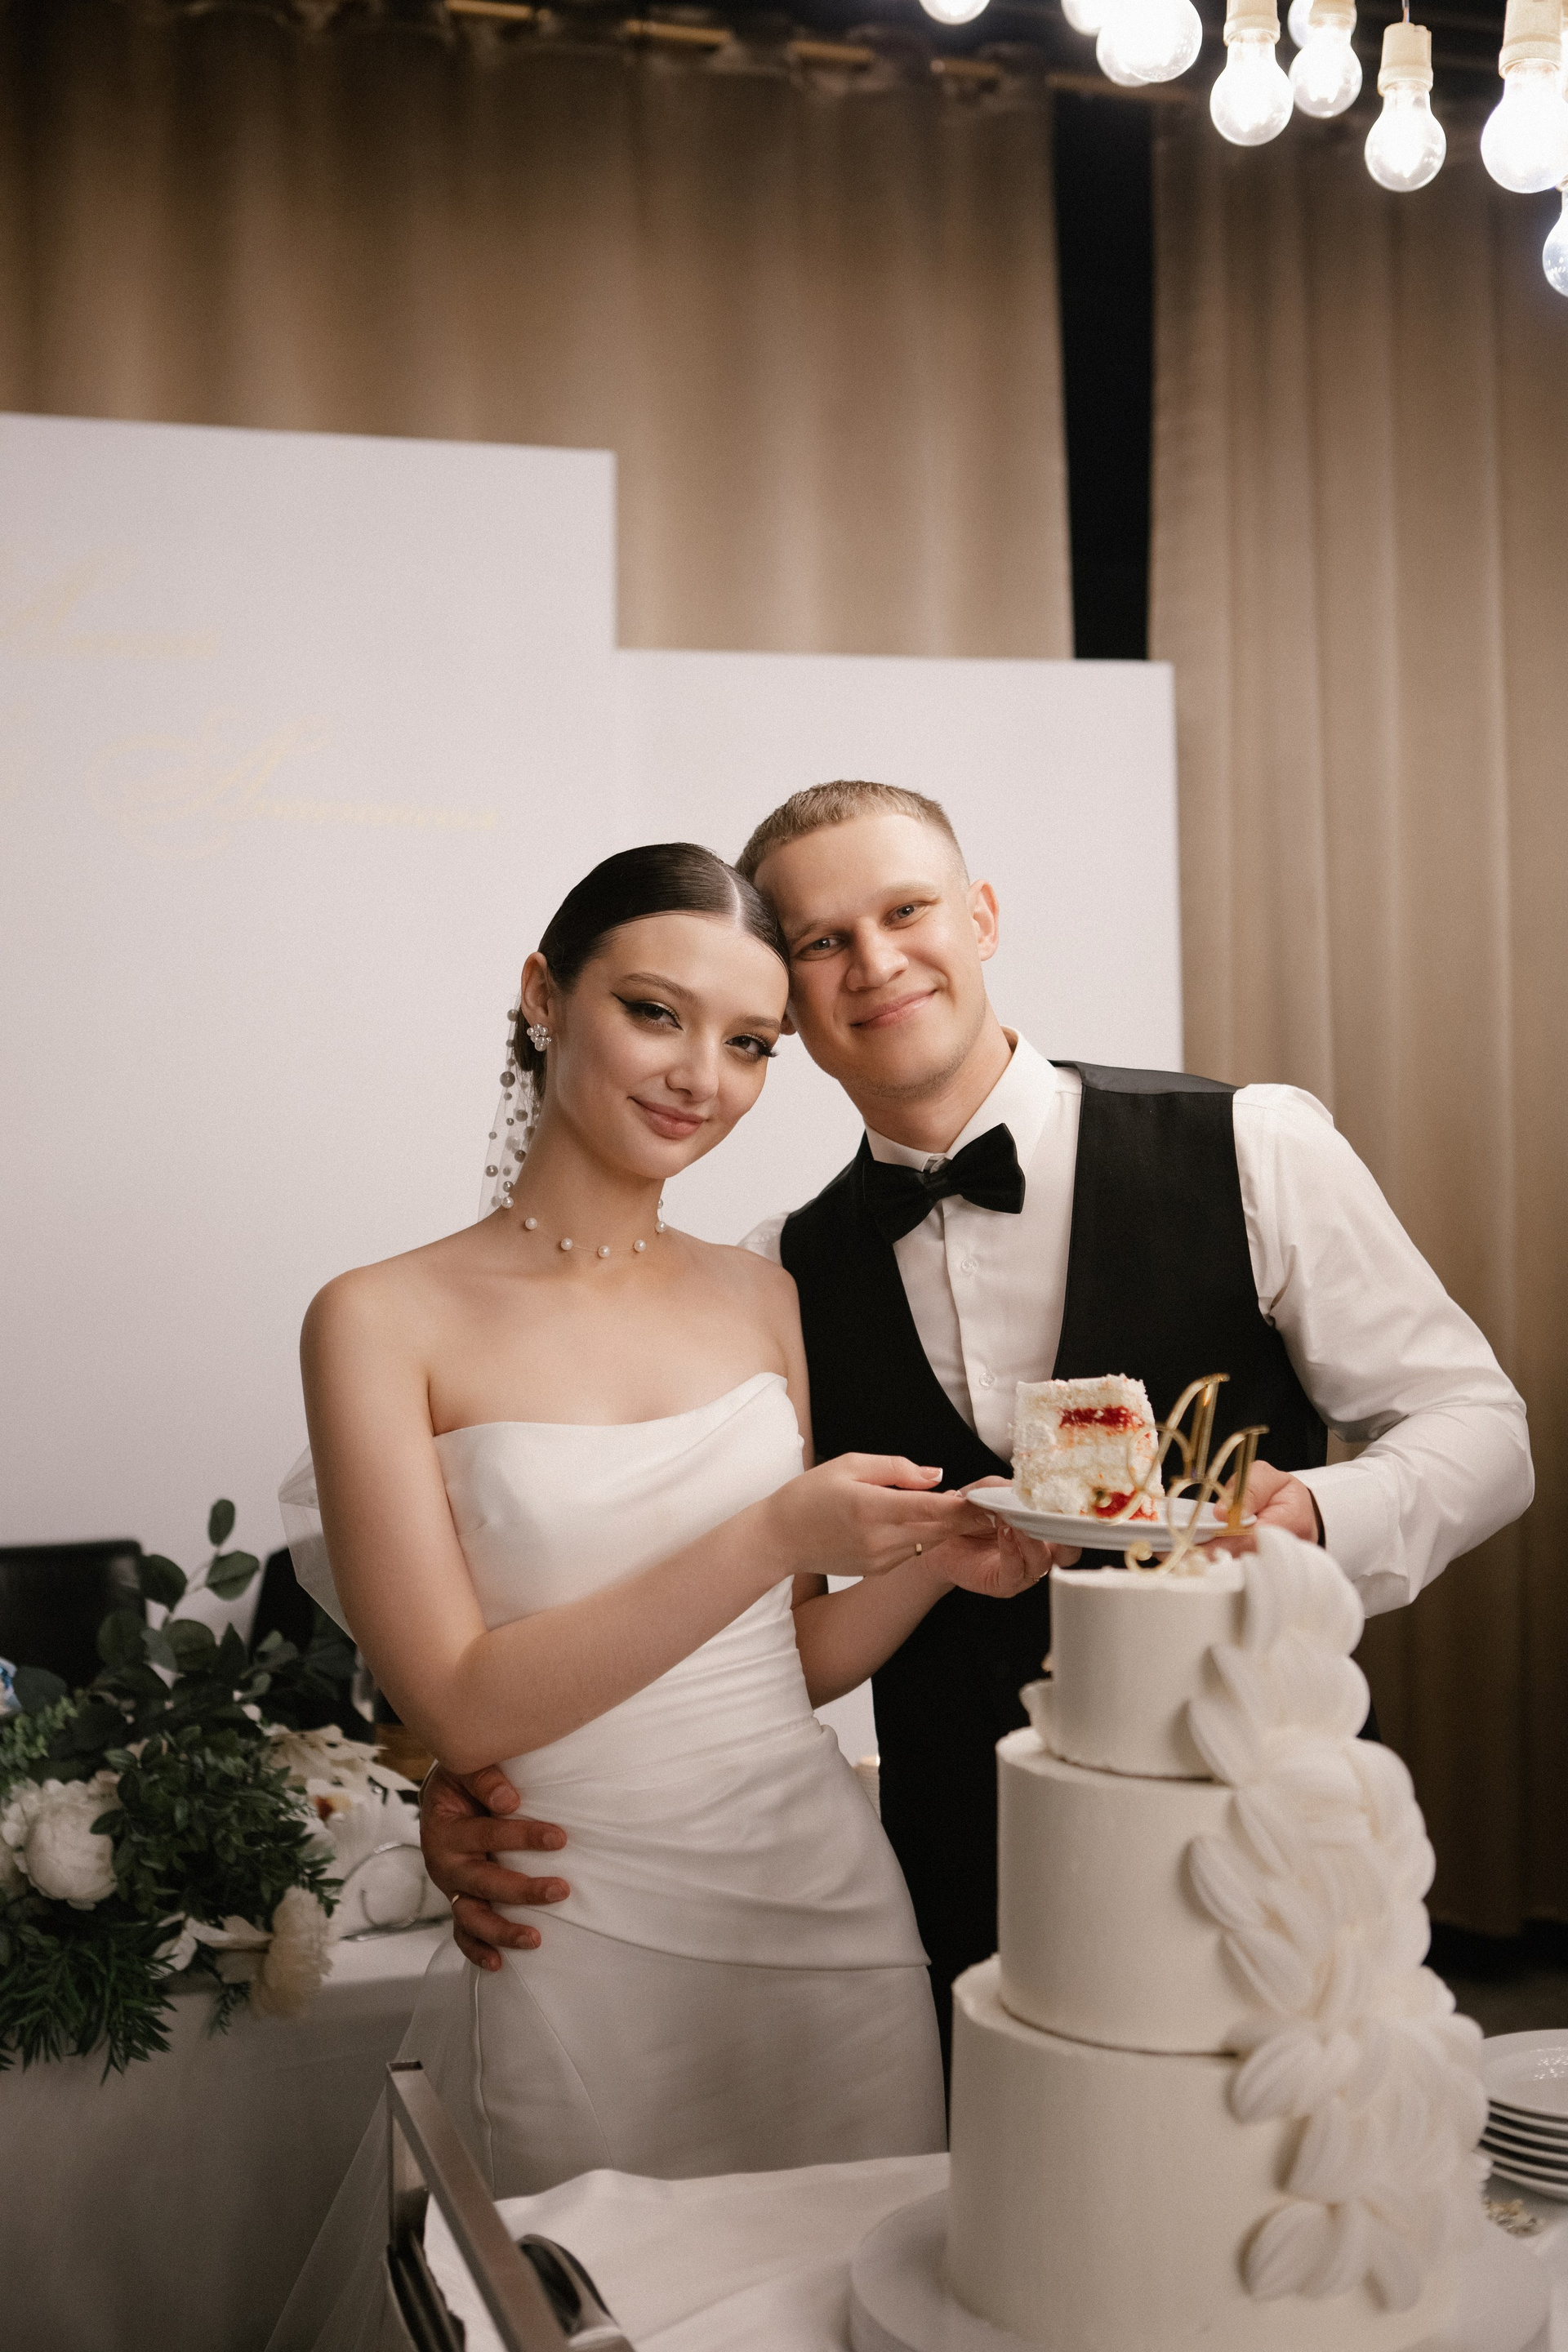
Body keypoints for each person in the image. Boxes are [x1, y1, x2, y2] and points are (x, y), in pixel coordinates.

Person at [421, 783, 1533, 2061]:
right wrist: (488, 1780)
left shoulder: (1251, 1144)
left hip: (1262, 1816)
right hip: (960, 1873)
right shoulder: (779, 1274)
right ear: (785, 1002)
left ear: (983, 918)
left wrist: (1321, 1515)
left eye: (906, 911)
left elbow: (1478, 1425)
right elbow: (723, 1624)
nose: (875, 962)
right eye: (823, 940)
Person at [272, 840, 1065, 2352]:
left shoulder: (760, 1293)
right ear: (542, 995)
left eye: (752, 1043)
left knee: (867, 2300)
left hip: (828, 1917)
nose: (703, 1075)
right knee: (596, 2309)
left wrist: (932, 1564)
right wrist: (770, 1533)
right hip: (581, 1928)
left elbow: (782, 1661)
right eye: (655, 1012)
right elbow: (461, 1704)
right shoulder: (377, 1319)